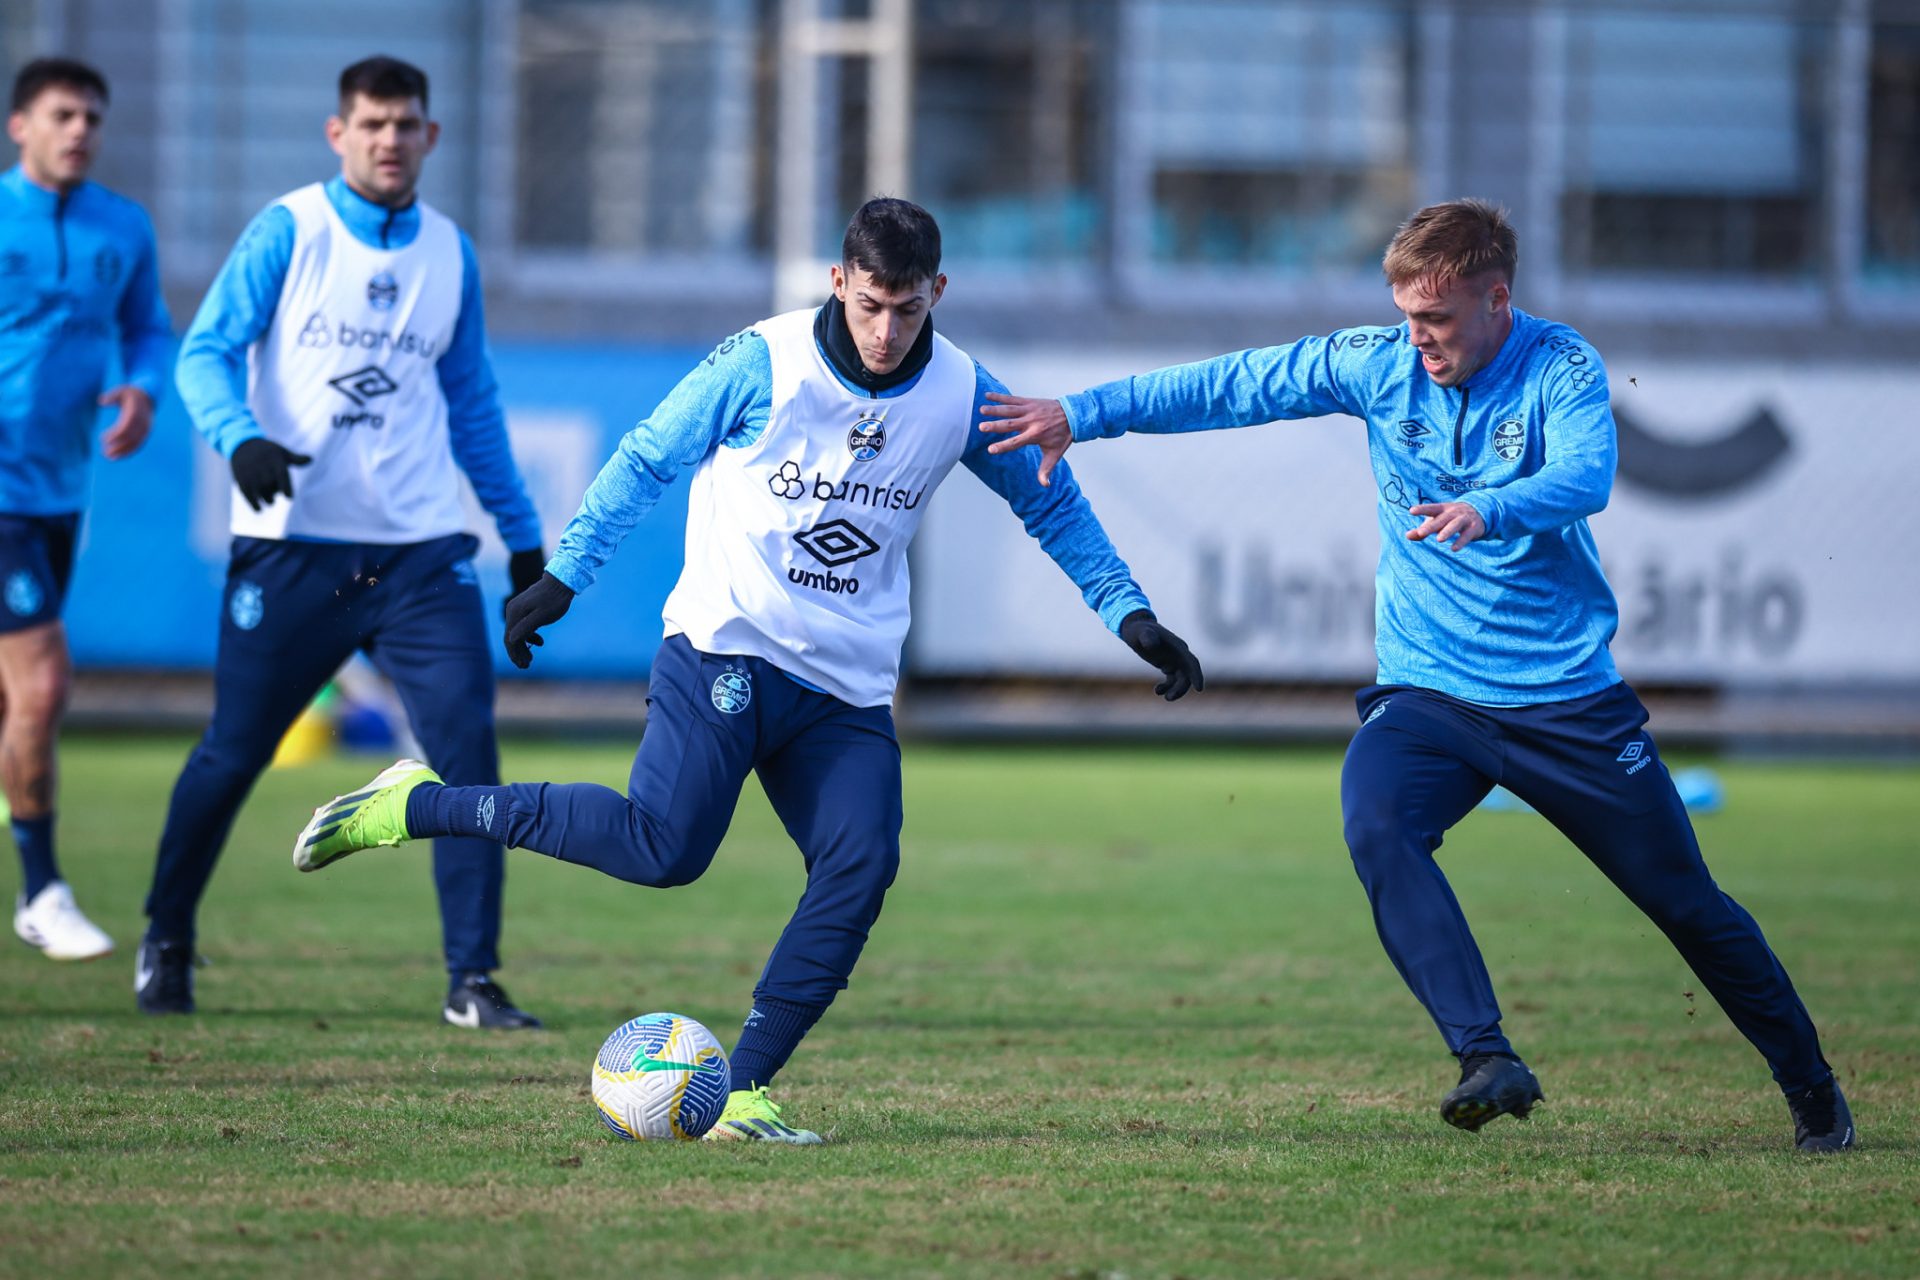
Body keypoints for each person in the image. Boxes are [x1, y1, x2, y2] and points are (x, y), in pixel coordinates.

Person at [293, 197, 1204, 1142]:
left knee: (861, 862)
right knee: (663, 851)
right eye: (870, 305)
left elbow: (1050, 505)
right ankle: (416, 805)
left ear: (938, 293)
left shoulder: (965, 393)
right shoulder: (763, 362)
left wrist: (1127, 612)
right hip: (726, 645)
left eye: (908, 309)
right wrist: (567, 574)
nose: (887, 331)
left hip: (845, 687)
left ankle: (742, 1093)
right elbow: (649, 457)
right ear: (840, 281)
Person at [977, 198, 1853, 1154]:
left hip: (1567, 700)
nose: (1418, 338)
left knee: (1687, 905)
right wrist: (1081, 414)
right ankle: (1486, 1056)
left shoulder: (1561, 366)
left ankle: (1813, 1091)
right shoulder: (1380, 363)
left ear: (1497, 298)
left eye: (1435, 319)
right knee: (1376, 820)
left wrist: (1488, 508)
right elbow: (1236, 385)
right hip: (1429, 694)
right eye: (1406, 316)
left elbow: (1589, 476)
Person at [138, 56, 548, 1028]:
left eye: (407, 124)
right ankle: (166, 938)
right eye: (371, 124)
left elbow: (474, 405)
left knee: (467, 757)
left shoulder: (450, 253)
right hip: (294, 552)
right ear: (337, 133)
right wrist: (239, 438)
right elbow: (203, 353)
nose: (390, 140)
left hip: (418, 556)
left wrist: (526, 541)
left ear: (432, 137)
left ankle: (473, 980)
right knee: (234, 752)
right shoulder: (290, 229)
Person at [3, 58, 171, 961]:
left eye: (92, 117)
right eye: (62, 114)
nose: (79, 130)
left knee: (14, 697)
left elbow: (148, 326)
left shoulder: (121, 226)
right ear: (18, 126)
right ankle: (42, 892)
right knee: (44, 684)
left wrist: (141, 387)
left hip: (58, 492)